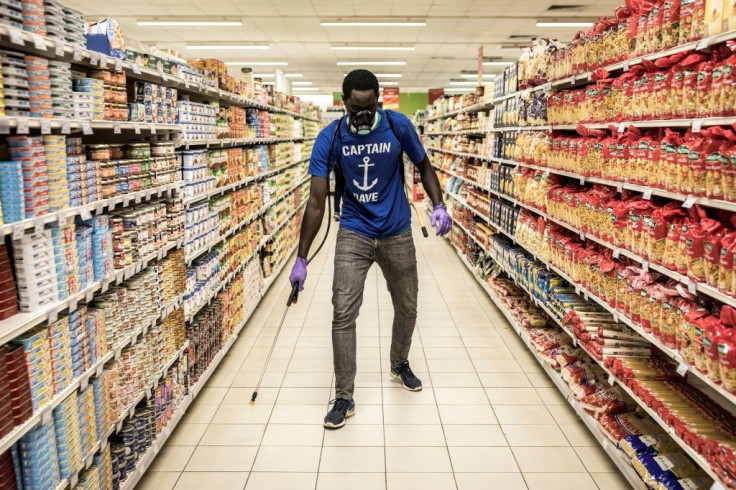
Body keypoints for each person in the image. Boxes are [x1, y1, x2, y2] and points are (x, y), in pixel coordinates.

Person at [289, 69, 451, 429]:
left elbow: (424, 166)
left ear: (378, 100)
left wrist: (439, 203)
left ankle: (399, 362)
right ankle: (344, 396)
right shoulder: (330, 139)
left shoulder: (398, 126)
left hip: (397, 230)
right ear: (344, 103)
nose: (363, 115)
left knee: (407, 305)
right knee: (342, 312)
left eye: (369, 106)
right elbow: (316, 202)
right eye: (355, 108)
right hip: (354, 231)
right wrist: (300, 258)